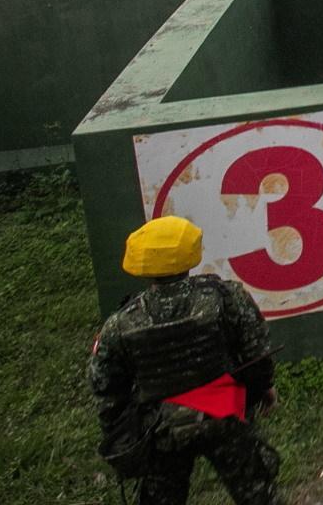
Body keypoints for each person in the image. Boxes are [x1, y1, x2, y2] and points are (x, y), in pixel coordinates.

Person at [89, 215, 281, 505]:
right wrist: (263, 388)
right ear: (191, 255)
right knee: (257, 494)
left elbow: (105, 385)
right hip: (224, 414)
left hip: (162, 428)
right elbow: (257, 352)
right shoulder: (226, 297)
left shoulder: (120, 324)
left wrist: (121, 433)